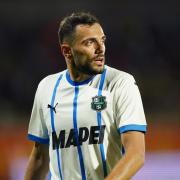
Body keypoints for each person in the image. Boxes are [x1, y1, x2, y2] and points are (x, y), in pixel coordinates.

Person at [25, 11, 147, 180]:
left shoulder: (121, 83)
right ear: (67, 51)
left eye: (102, 40)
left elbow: (136, 154)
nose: (100, 49)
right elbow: (40, 157)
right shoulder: (46, 87)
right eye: (90, 42)